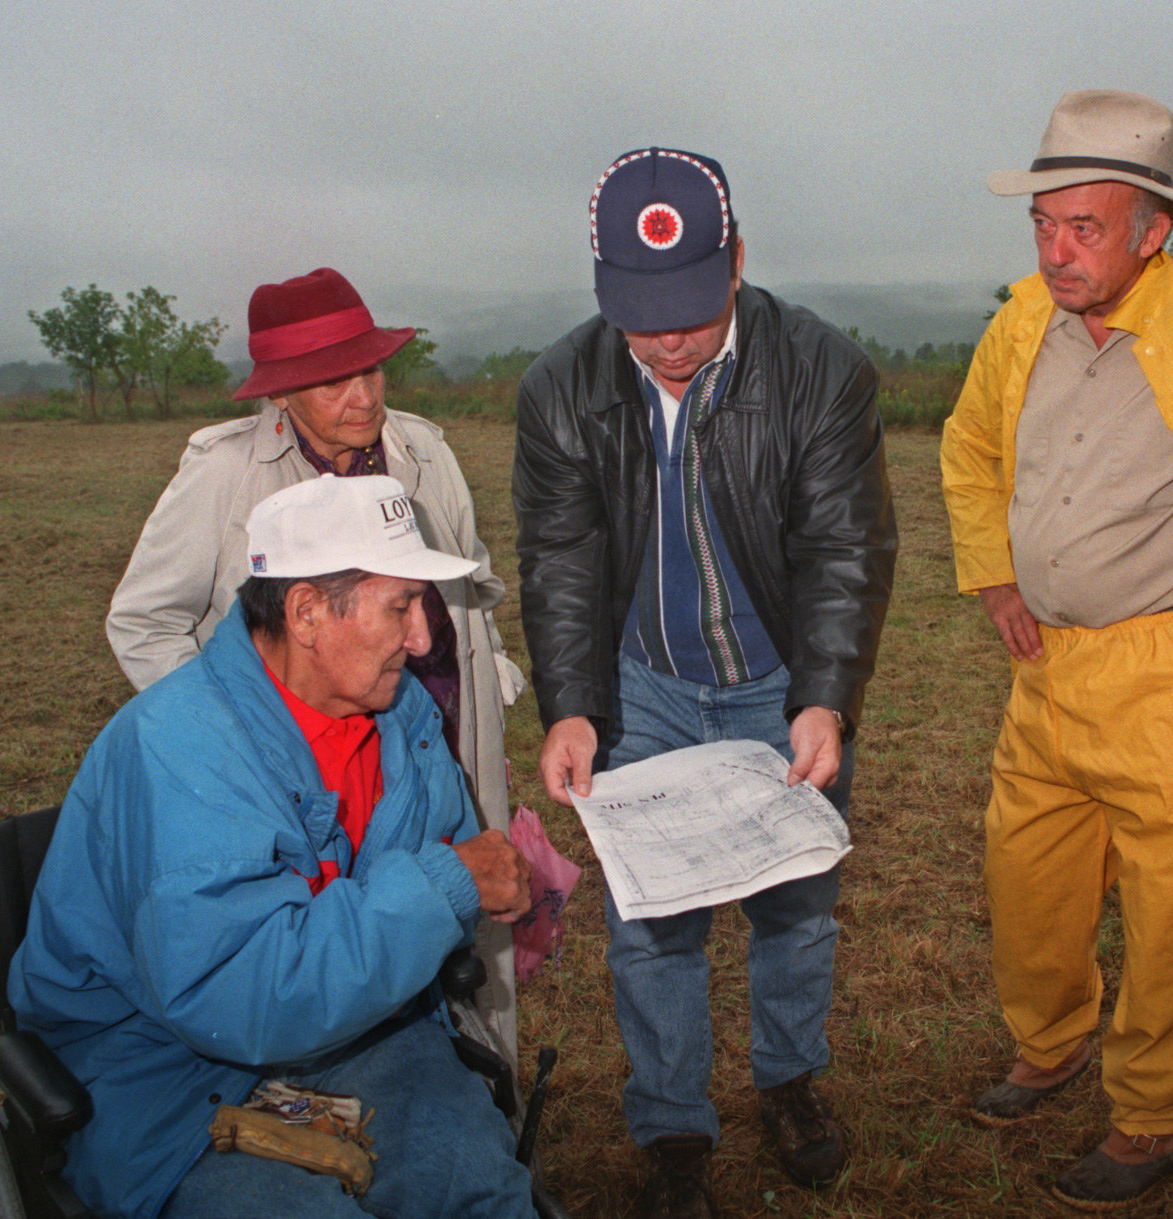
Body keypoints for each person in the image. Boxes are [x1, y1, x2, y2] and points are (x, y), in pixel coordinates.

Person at [513, 146, 897, 1218]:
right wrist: (574, 706)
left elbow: (843, 549)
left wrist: (823, 696)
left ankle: (789, 1082)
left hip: (779, 685)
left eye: (689, 306)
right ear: (602, 290)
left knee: (798, 905)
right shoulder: (561, 388)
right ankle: (673, 1122)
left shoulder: (821, 370)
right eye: (641, 314)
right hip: (648, 689)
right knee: (650, 921)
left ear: (736, 263)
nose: (671, 339)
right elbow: (561, 560)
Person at [939, 91, 1173, 1210]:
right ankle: (1050, 1042)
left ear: (1154, 228)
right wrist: (992, 571)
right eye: (1043, 225)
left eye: (1083, 228)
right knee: (1027, 877)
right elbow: (971, 444)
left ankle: (1155, 1111)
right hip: (1044, 669)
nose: (1056, 251)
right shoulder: (1021, 320)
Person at [10, 475, 538, 1219]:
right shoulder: (181, 750)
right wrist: (449, 886)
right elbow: (238, 997)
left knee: (484, 1194)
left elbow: (445, 852)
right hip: (163, 1070)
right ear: (308, 612)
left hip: (355, 1030)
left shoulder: (400, 710)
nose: (423, 638)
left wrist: (484, 881)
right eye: (401, 606)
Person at [105, 266, 525, 1072]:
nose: (362, 397)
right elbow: (141, 619)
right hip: (308, 769)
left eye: (369, 370)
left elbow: (472, 584)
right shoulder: (226, 472)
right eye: (332, 382)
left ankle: (477, 1092)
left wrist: (488, 691)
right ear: (282, 395)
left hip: (435, 734)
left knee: (472, 937)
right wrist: (233, 744)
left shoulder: (423, 451)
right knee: (328, 944)